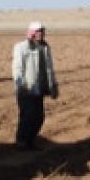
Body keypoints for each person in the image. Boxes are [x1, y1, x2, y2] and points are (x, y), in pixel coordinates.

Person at [12, 21, 59, 150]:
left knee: (39, 117)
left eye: (42, 31)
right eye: (39, 31)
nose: (41, 33)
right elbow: (17, 68)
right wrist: (20, 85)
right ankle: (21, 142)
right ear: (32, 33)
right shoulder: (21, 47)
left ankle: (30, 140)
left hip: (39, 89)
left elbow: (49, 68)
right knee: (27, 116)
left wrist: (53, 85)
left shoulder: (45, 47)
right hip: (26, 89)